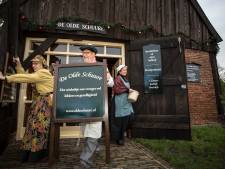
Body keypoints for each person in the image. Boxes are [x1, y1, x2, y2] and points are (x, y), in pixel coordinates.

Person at [0, 55, 53, 162]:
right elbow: (24, 75)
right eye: (33, 63)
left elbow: (26, 78)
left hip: (44, 103)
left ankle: (38, 154)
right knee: (32, 128)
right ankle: (30, 152)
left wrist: (6, 78)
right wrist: (18, 63)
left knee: (39, 128)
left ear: (42, 64)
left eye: (36, 63)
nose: (33, 65)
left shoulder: (43, 72)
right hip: (38, 103)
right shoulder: (37, 73)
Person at [79, 45, 113, 168]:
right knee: (86, 131)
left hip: (96, 104)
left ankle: (85, 160)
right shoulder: (79, 67)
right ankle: (96, 147)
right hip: (82, 105)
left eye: (87, 52)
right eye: (83, 53)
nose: (84, 55)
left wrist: (107, 76)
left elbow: (111, 83)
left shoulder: (101, 66)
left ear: (94, 54)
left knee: (93, 131)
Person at [110, 64, 134, 145]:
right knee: (119, 121)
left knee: (128, 118)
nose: (125, 71)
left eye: (126, 70)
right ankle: (118, 138)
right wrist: (128, 90)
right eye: (123, 70)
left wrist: (129, 91)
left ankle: (122, 137)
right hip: (119, 102)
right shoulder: (117, 79)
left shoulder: (125, 79)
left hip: (126, 102)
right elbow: (116, 90)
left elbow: (125, 89)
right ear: (119, 71)